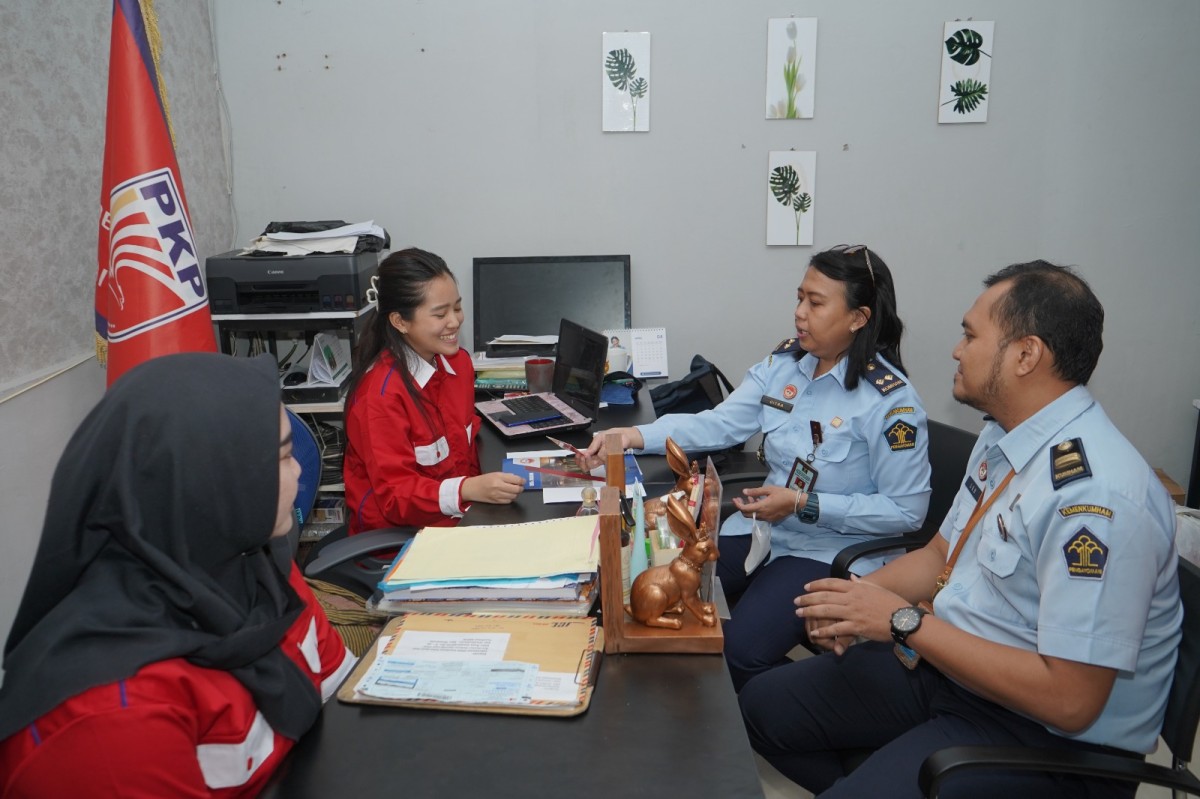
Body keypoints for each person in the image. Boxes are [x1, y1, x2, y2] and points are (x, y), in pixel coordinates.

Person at [739, 261, 1182, 798]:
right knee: (758, 709)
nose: (956, 349)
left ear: (1027, 354)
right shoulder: (1004, 435)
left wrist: (902, 622)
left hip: (1043, 738)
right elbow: (940, 554)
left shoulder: (1094, 495)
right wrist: (858, 602)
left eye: (971, 335)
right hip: (952, 670)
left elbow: (1070, 701)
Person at [0, 353, 356, 797]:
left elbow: (346, 697)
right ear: (208, 480)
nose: (301, 470)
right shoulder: (110, 719)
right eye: (283, 456)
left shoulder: (259, 568)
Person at [581, 245, 931, 690]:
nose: (799, 313)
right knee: (652, 590)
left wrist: (804, 504)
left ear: (858, 317)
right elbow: (723, 423)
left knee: (736, 651)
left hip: (825, 551)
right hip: (761, 532)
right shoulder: (785, 364)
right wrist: (633, 436)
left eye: (816, 303)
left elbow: (906, 512)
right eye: (799, 297)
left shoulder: (891, 402)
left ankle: (823, 705)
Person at [343, 247, 523, 533]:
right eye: (440, 314)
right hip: (403, 540)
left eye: (457, 307)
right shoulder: (379, 397)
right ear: (400, 321)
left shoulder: (458, 364)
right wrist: (467, 490)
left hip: (460, 519)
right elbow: (396, 497)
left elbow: (462, 450)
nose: (455, 321)